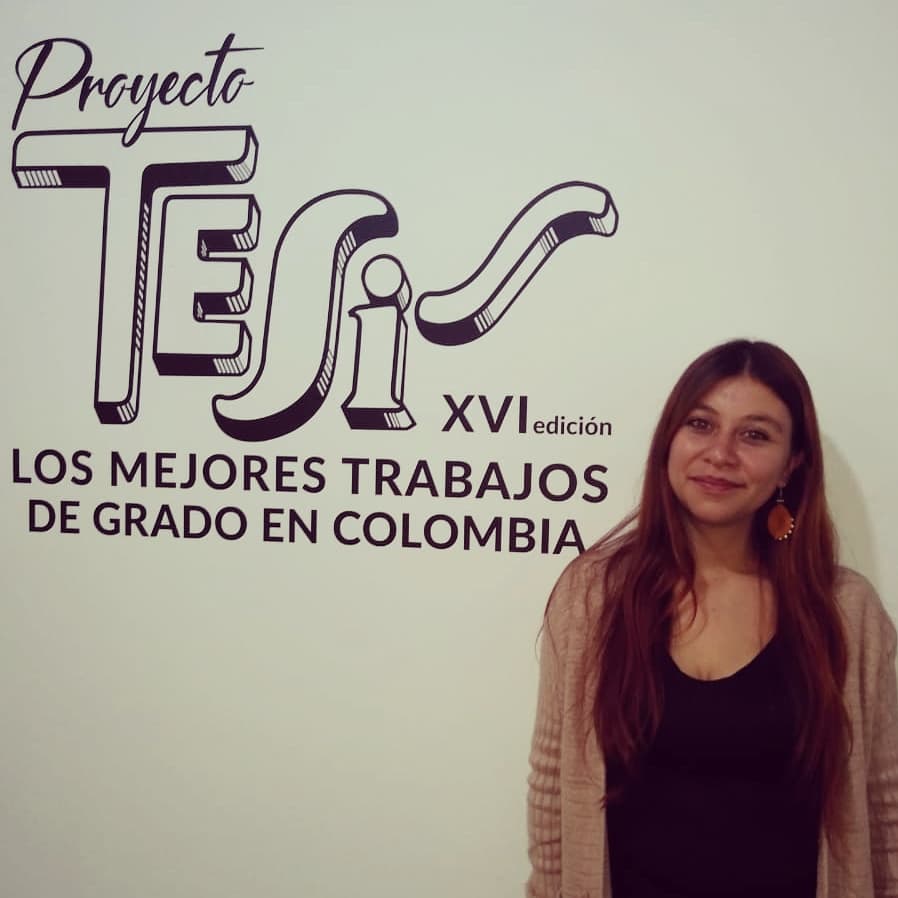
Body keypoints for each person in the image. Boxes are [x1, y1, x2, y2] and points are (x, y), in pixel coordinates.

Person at [526, 339, 898, 898]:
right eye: (700, 424)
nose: (720, 453)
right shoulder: (593, 596)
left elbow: (885, 806)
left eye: (755, 435)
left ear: (791, 464)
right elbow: (553, 787)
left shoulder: (845, 611)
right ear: (669, 440)